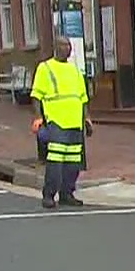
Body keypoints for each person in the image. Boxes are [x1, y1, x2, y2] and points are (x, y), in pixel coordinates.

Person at [30, 36, 91, 209]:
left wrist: (86, 119)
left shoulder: (75, 71)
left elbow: (82, 98)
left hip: (75, 123)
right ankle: (49, 195)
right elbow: (36, 96)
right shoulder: (45, 68)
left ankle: (67, 194)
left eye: (69, 45)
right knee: (55, 161)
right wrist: (38, 118)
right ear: (56, 47)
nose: (68, 48)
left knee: (73, 163)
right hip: (56, 122)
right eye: (64, 45)